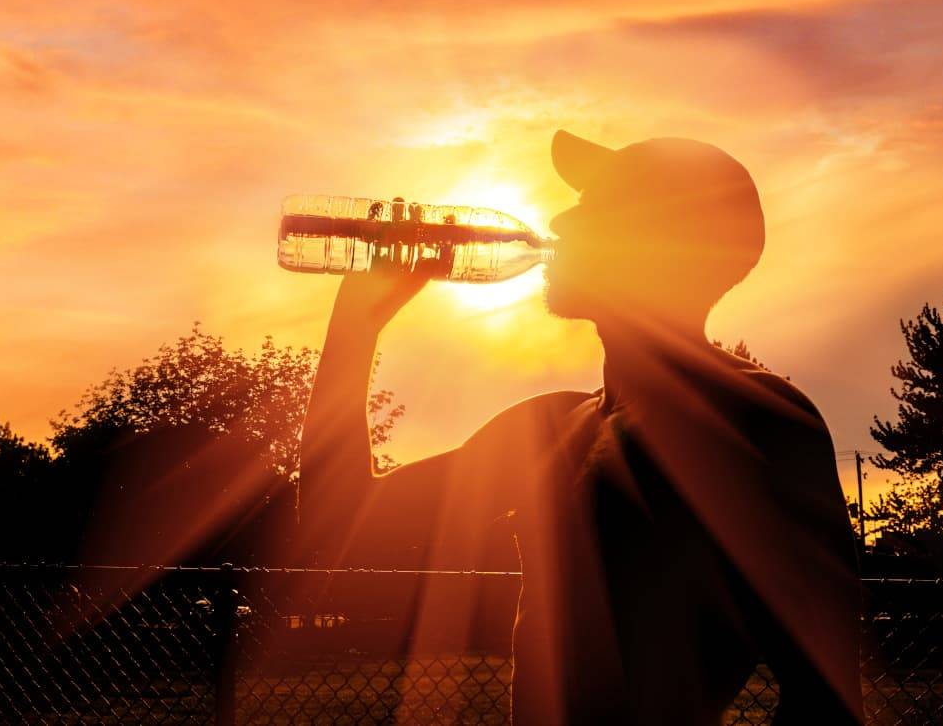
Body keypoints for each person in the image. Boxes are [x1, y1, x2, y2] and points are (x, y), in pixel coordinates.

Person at [299, 130, 864, 724]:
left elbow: (825, 698)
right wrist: (357, 323)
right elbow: (334, 531)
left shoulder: (756, 420)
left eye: (596, 207)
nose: (561, 221)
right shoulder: (547, 427)